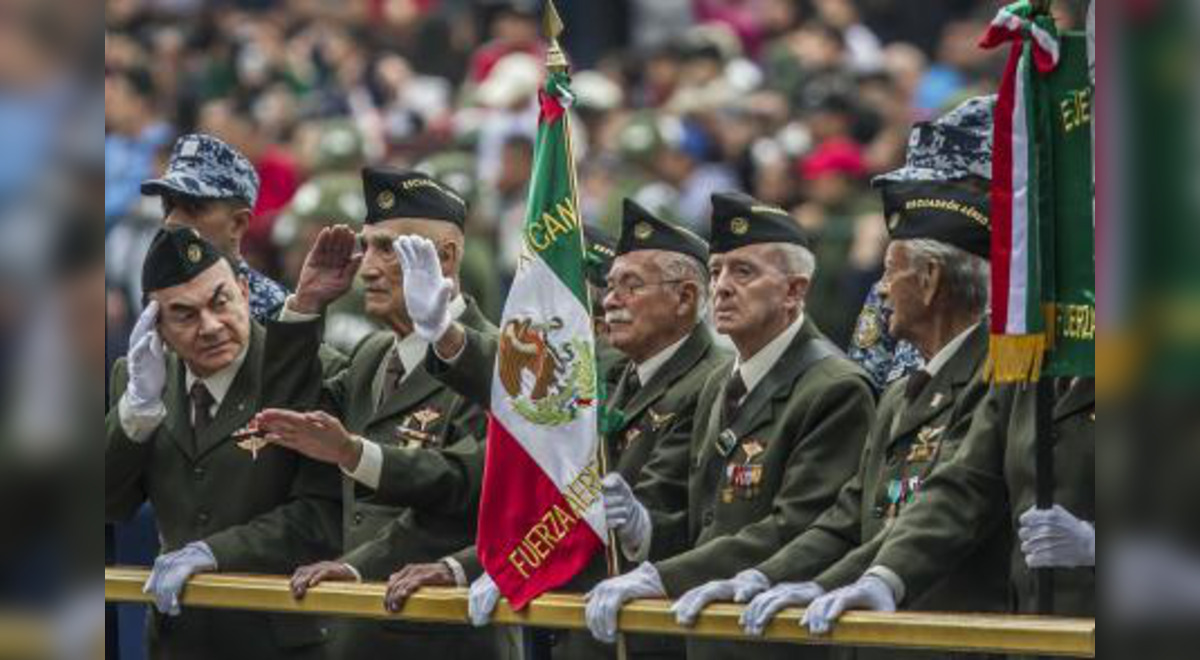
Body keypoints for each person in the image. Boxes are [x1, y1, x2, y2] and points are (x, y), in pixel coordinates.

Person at [673, 179, 1006, 660]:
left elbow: (951, 503)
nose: (882, 289)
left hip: (946, 641)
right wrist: (774, 576)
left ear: (930, 279)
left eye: (891, 272)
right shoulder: (898, 395)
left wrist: (866, 580)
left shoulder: (995, 377)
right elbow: (848, 518)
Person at [391, 200, 729, 660]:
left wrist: (638, 524)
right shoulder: (623, 373)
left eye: (631, 285)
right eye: (610, 286)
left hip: (651, 634)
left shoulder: (711, 381)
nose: (610, 301)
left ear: (685, 298)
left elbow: (655, 517)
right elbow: (533, 388)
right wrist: (443, 332)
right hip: (579, 626)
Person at [585, 192, 877, 660]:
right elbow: (701, 519)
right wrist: (646, 533)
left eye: (744, 272)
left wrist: (665, 576)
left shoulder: (833, 387)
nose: (720, 286)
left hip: (777, 642)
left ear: (794, 291)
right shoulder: (722, 380)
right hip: (707, 636)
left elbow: (797, 526)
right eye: (717, 269)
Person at [254, 168, 498, 658]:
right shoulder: (372, 354)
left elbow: (466, 485)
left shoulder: (495, 364)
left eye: (390, 248)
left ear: (446, 258)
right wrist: (304, 308)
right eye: (366, 247)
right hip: (359, 630)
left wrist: (354, 453)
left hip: (445, 638)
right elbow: (290, 419)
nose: (366, 268)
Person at [105, 227, 342, 660]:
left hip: (280, 638)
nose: (211, 327)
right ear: (154, 324)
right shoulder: (140, 378)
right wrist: (137, 411)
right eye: (184, 314)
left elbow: (325, 514)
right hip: (179, 639)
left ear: (245, 292)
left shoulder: (306, 365)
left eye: (221, 302)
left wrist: (216, 552)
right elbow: (105, 503)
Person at [140, 133, 289, 323]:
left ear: (238, 224)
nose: (171, 221)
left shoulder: (274, 310)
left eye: (192, 208)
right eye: (168, 205)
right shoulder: (160, 295)